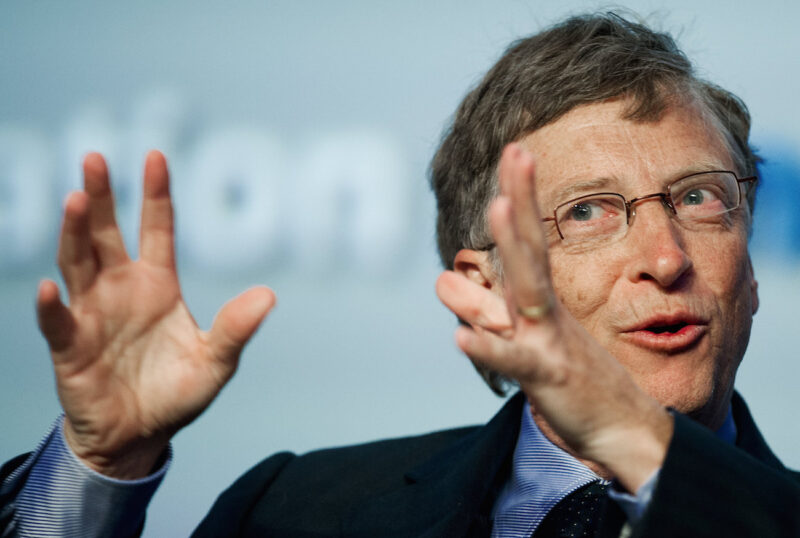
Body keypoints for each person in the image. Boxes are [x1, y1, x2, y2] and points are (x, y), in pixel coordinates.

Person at [2, 11, 799, 537]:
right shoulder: (292, 512)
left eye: (700, 199)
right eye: (588, 211)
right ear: (481, 288)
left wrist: (631, 436)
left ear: (751, 267)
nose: (666, 258)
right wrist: (102, 470)